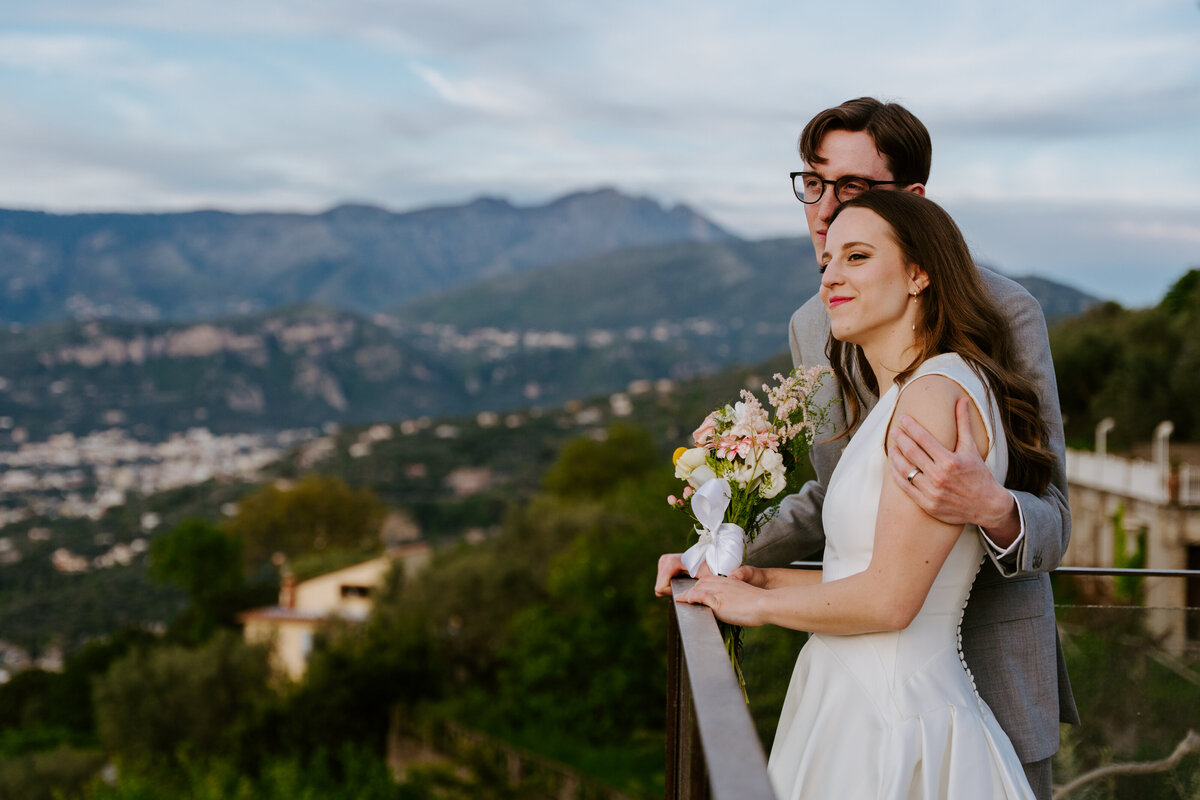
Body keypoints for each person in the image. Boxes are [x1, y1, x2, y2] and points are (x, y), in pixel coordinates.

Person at [655, 98, 1077, 799]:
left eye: (852, 189)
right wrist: (725, 558)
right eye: (814, 184)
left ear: (913, 206)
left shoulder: (1008, 314)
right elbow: (840, 489)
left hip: (987, 668)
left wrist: (992, 506)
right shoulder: (813, 325)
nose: (823, 208)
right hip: (850, 672)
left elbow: (1056, 514)